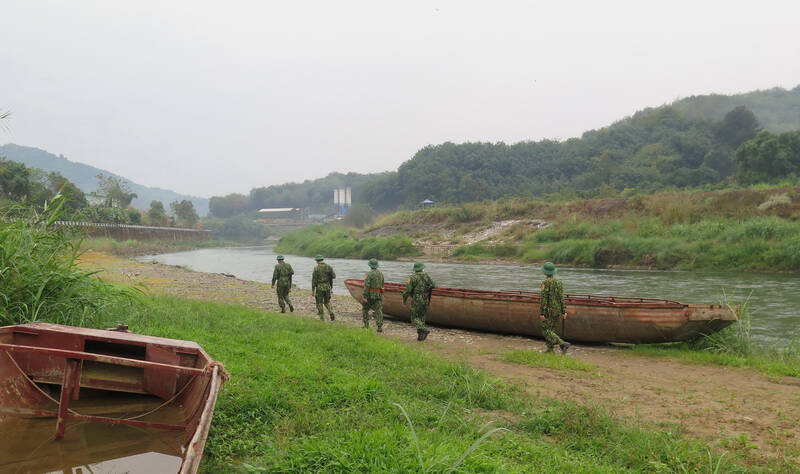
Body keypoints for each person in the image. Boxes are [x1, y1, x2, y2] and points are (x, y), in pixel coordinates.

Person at [539, 261, 570, 353]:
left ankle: (562, 343)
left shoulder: (545, 283)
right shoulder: (559, 282)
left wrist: (542, 312)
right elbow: (561, 297)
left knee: (546, 330)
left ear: (545, 272)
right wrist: (564, 311)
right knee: (552, 329)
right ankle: (550, 349)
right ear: (553, 272)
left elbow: (544, 298)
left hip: (548, 311)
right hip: (557, 310)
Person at [402, 262, 435, 341]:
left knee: (414, 318)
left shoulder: (412, 277)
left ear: (415, 269)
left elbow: (407, 290)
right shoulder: (426, 276)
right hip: (426, 299)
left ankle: (423, 329)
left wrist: (404, 300)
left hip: (417, 299)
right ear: (422, 268)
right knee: (422, 317)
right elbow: (433, 285)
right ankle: (421, 337)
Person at [362, 258, 385, 332]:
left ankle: (366, 325)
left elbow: (366, 286)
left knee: (365, 309)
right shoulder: (381, 274)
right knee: (379, 311)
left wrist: (364, 296)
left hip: (370, 295)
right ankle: (379, 327)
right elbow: (382, 285)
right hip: (378, 295)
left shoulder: (368, 274)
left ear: (370, 265)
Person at [311, 254, 336, 321]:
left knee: (319, 302)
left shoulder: (316, 268)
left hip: (319, 288)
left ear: (317, 261)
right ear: (322, 259)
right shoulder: (329, 267)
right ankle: (331, 312)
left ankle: (322, 318)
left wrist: (313, 290)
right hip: (327, 287)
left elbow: (314, 280)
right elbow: (334, 276)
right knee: (327, 301)